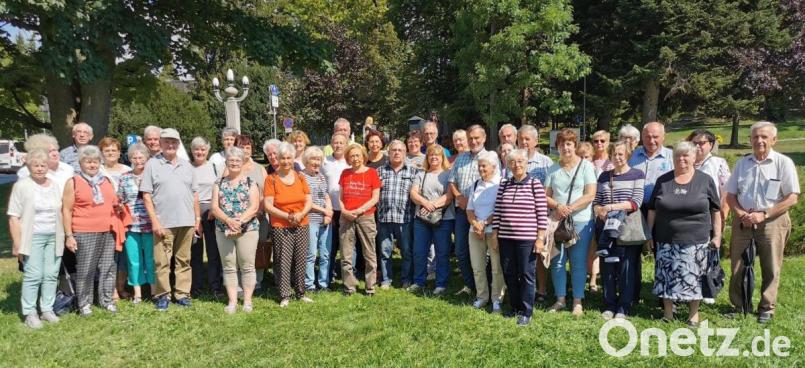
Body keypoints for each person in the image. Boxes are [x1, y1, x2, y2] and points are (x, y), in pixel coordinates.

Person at [726, 121, 799, 323]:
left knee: (771, 266)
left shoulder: (783, 163)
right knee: (738, 266)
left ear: (774, 140)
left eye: (764, 137)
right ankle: (739, 306)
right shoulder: (742, 164)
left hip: (772, 221)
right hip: (743, 221)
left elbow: (792, 197)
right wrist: (741, 213)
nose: (759, 140)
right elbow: (730, 195)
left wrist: (764, 214)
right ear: (750, 140)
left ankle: (767, 307)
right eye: (755, 137)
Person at [648, 141, 721, 327]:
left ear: (694, 157)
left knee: (694, 278)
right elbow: (652, 209)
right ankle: (668, 313)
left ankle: (693, 315)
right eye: (677, 156)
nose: (681, 159)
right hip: (666, 239)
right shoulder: (663, 181)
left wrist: (717, 236)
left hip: (696, 240)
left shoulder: (705, 180)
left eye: (685, 155)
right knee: (666, 276)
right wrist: (648, 234)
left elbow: (715, 211)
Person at [140, 128, 200, 311]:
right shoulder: (152, 164)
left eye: (174, 142)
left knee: (184, 260)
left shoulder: (187, 166)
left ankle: (182, 294)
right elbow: (146, 195)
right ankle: (162, 295)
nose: (170, 145)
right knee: (162, 262)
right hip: (164, 222)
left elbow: (195, 194)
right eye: (167, 141)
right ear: (161, 143)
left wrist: (197, 219)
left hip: (186, 221)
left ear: (178, 144)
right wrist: (155, 221)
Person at [8, 149, 65, 328]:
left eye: (43, 165)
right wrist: (17, 243)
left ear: (48, 166)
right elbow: (13, 217)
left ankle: (47, 309)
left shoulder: (54, 185)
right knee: (33, 275)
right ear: (29, 166)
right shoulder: (22, 186)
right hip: (32, 236)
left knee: (51, 275)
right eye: (36, 165)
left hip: (54, 236)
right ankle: (30, 313)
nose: (40, 168)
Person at [492, 149, 548, 326]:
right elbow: (498, 211)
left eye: (520, 161)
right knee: (509, 273)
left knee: (526, 274)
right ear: (508, 165)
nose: (516, 165)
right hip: (505, 237)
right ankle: (515, 307)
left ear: (526, 163)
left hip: (527, 239)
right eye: (512, 162)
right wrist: (495, 234)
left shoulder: (534, 184)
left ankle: (526, 311)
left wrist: (540, 238)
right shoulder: (504, 184)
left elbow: (542, 213)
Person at [61, 145, 120, 316]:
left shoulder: (106, 181)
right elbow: (66, 210)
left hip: (108, 231)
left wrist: (119, 206)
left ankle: (107, 300)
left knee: (108, 267)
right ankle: (84, 303)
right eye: (88, 162)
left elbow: (113, 203)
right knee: (86, 269)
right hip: (84, 231)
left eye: (95, 161)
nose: (92, 165)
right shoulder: (73, 182)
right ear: (81, 163)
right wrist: (69, 235)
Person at [544, 129, 597, 316]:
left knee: (578, 261)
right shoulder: (552, 169)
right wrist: (558, 206)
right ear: (557, 147)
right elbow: (545, 196)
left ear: (575, 145)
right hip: (558, 222)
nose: (565, 148)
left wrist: (570, 208)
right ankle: (560, 299)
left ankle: (577, 301)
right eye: (561, 144)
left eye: (569, 144)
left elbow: (590, 194)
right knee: (557, 261)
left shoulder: (586, 166)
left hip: (581, 222)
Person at [592, 141, 645, 319]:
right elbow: (597, 201)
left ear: (628, 155)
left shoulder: (637, 174)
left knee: (626, 268)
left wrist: (610, 207)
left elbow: (636, 202)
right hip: (606, 228)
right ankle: (609, 304)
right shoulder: (604, 176)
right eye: (614, 154)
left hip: (627, 228)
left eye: (621, 154)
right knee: (607, 266)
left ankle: (623, 306)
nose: (617, 157)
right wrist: (600, 210)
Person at [211, 147, 261, 313]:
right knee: (229, 266)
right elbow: (214, 207)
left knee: (247, 266)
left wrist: (238, 222)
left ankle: (247, 301)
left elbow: (254, 207)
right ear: (226, 162)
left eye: (237, 160)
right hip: (223, 229)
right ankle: (232, 301)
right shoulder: (218, 183)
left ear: (242, 162)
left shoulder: (250, 182)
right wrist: (228, 221)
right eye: (231, 160)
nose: (234, 163)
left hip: (247, 229)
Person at [628, 121, 673, 302]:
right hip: (636, 211)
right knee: (632, 254)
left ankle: (665, 298)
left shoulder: (672, 157)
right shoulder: (633, 156)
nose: (651, 140)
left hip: (662, 212)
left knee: (662, 254)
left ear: (663, 137)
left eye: (655, 136)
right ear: (642, 137)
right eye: (647, 136)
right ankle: (631, 294)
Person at [264, 142, 314, 305]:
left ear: (293, 159)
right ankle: (285, 295)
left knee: (301, 259)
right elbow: (268, 206)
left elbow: (308, 199)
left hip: (301, 223)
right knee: (283, 260)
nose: (286, 161)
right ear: (278, 159)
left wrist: (301, 214)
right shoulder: (271, 179)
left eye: (289, 158)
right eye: (282, 158)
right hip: (281, 225)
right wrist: (287, 216)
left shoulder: (300, 177)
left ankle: (300, 292)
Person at [448, 124, 489, 296]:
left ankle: (487, 285)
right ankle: (470, 284)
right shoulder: (461, 158)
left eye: (476, 138)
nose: (473, 141)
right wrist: (460, 197)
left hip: (482, 213)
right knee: (461, 250)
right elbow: (452, 181)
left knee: (485, 251)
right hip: (462, 211)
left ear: (484, 138)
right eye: (470, 138)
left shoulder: (490, 157)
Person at [410, 144, 454, 294]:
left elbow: (449, 196)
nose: (434, 157)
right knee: (419, 252)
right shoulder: (421, 174)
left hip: (444, 219)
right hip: (421, 219)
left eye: (437, 155)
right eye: (431, 155)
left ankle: (441, 283)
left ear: (442, 157)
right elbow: (413, 193)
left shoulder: (448, 174)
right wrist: (425, 203)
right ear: (427, 158)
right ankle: (419, 281)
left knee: (442, 252)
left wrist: (432, 205)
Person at [338, 143, 381, 295]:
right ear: (348, 158)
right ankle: (349, 286)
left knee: (369, 252)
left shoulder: (372, 173)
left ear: (363, 156)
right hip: (346, 217)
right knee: (346, 253)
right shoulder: (345, 173)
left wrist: (360, 210)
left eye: (358, 155)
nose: (355, 158)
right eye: (352, 156)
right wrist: (344, 211)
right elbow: (340, 197)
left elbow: (375, 197)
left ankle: (370, 286)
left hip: (366, 216)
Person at [515, 124, 552, 301]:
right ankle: (522, 288)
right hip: (517, 217)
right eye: (520, 139)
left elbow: (550, 189)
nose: (523, 142)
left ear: (536, 141)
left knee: (538, 253)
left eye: (527, 139)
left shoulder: (546, 163)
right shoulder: (513, 159)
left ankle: (542, 289)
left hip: (538, 215)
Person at [376, 140, 418, 289]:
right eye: (394, 150)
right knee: (385, 252)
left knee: (406, 251)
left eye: (400, 150)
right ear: (388, 153)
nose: (397, 153)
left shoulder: (413, 171)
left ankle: (406, 279)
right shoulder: (379, 171)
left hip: (404, 217)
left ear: (405, 153)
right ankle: (386, 280)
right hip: (384, 218)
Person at [117, 143, 155, 304]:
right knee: (134, 260)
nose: (138, 160)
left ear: (147, 158)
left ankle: (154, 291)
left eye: (141, 157)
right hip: (131, 226)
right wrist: (119, 205)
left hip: (151, 224)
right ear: (130, 159)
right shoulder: (124, 177)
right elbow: (119, 198)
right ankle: (137, 293)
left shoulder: (153, 175)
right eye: (134, 157)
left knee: (151, 259)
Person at [466, 150, 504, 312]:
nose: (481, 169)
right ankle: (482, 297)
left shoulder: (502, 183)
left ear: (494, 167)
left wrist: (485, 223)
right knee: (477, 267)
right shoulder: (476, 184)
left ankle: (497, 299)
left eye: (484, 166)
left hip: (494, 231)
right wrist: (476, 224)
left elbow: (502, 209)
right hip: (475, 231)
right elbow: (469, 209)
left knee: (497, 268)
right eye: (479, 166)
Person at [98, 136, 132, 301]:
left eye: (114, 150)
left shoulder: (127, 170)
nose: (110, 153)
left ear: (119, 153)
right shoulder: (98, 171)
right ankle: (110, 290)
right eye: (107, 150)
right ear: (101, 153)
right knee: (110, 254)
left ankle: (121, 287)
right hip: (107, 217)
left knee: (125, 255)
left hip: (126, 216)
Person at [235, 135, 269, 290]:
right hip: (238, 218)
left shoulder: (260, 169)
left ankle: (257, 281)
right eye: (241, 147)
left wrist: (260, 211)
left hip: (259, 217)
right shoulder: (232, 167)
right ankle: (240, 281)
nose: (245, 150)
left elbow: (266, 193)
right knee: (240, 250)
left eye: (247, 147)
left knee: (258, 248)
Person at [189, 137, 223, 296]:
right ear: (191, 150)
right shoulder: (186, 168)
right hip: (192, 212)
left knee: (213, 251)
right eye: (196, 149)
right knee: (195, 251)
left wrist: (214, 208)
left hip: (211, 212)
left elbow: (221, 188)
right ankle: (196, 285)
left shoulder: (215, 167)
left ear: (208, 150)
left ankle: (215, 285)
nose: (200, 152)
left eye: (203, 149)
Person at [300, 146, 333, 291]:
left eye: (319, 159)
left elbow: (326, 196)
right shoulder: (301, 177)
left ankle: (323, 283)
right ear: (306, 160)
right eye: (313, 159)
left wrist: (329, 213)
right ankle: (309, 284)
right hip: (310, 220)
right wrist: (325, 211)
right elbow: (305, 202)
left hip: (325, 220)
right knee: (311, 255)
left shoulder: (321, 176)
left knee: (325, 254)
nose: (316, 162)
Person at [686, 129, 731, 229]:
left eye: (701, 143)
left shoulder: (718, 163)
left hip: (711, 216)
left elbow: (726, 192)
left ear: (711, 145)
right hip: (686, 217)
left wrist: (722, 215)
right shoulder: (683, 162)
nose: (697, 146)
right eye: (694, 143)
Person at [321, 133, 351, 283]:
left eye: (341, 143)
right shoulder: (324, 162)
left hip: (347, 209)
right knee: (330, 246)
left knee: (348, 245)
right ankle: (330, 274)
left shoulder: (350, 161)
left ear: (346, 144)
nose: (338, 145)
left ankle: (349, 275)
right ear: (331, 144)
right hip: (330, 209)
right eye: (336, 143)